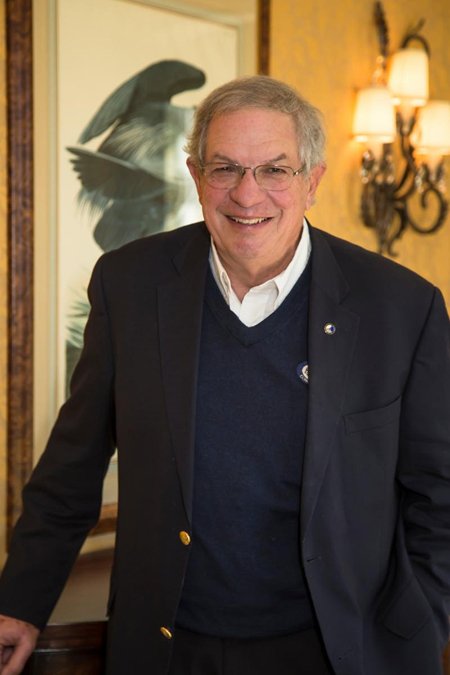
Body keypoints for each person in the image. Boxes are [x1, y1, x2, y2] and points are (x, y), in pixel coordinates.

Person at [0, 75, 448, 675]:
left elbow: (439, 494)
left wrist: (422, 623)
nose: (247, 194)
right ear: (195, 175)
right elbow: (71, 468)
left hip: (338, 652)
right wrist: (20, 603)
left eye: (275, 170)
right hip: (168, 648)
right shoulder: (129, 284)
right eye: (225, 169)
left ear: (312, 181)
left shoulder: (400, 306)